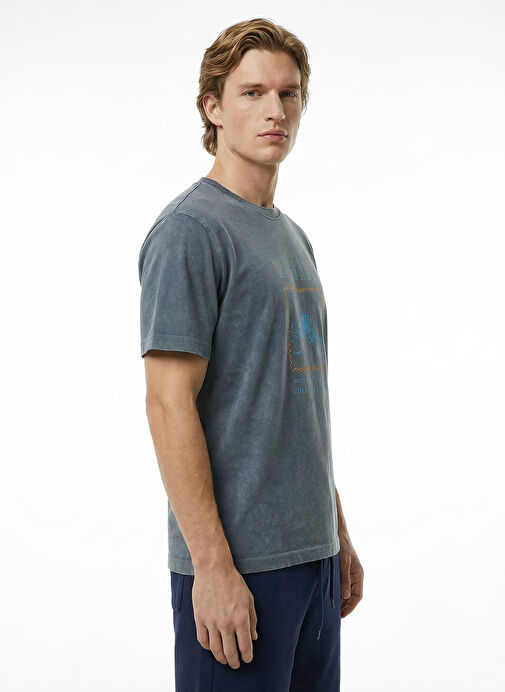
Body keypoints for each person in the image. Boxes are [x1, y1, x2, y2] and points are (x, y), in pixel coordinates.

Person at [138, 17, 364, 691]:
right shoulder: (190, 231)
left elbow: (297, 407)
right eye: (252, 93)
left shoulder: (291, 237)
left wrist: (335, 535)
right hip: (240, 568)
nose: (276, 111)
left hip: (312, 559)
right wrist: (212, 567)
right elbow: (167, 402)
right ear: (212, 107)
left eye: (289, 94)